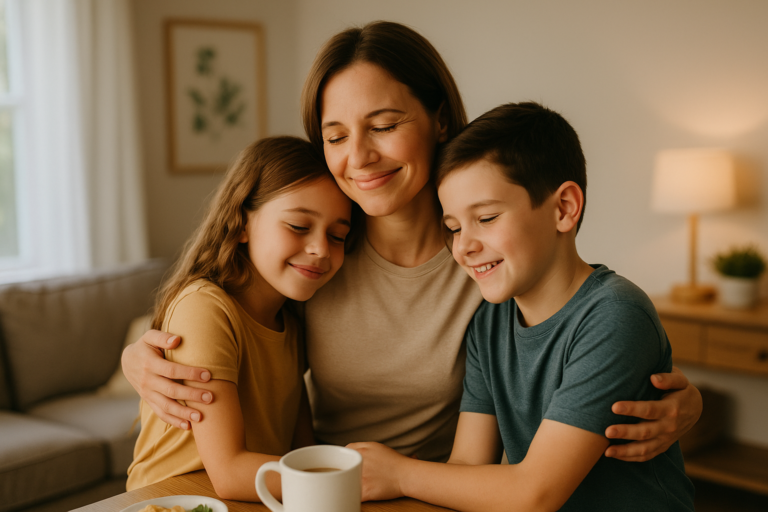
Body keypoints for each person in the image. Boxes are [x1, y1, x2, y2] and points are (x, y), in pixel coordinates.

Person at [122, 21, 702, 464]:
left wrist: (687, 402)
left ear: (440, 120)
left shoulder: (489, 256)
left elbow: (577, 329)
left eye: (384, 125)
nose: (359, 157)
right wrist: (134, 357)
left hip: (446, 492)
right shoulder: (319, 252)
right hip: (326, 487)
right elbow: (220, 304)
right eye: (335, 136)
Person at [349, 102, 696, 511]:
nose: (464, 246)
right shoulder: (489, 322)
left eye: (488, 217)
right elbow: (465, 466)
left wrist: (399, 473)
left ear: (564, 208)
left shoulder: (615, 314)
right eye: (454, 228)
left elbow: (535, 494)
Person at [126, 136, 352, 502]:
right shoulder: (205, 307)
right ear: (241, 222)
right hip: (170, 502)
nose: (320, 249)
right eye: (297, 226)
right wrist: (355, 483)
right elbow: (230, 473)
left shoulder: (291, 322)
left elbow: (299, 455)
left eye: (338, 235)